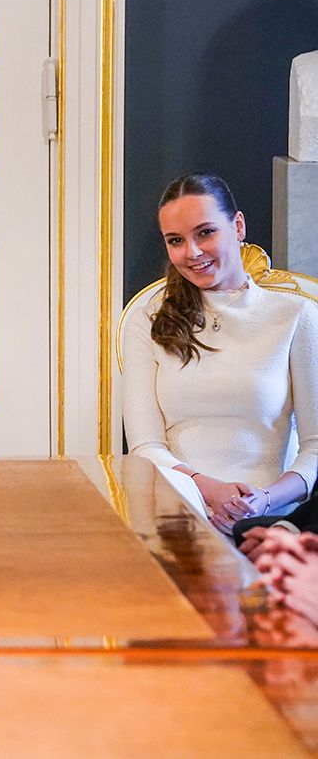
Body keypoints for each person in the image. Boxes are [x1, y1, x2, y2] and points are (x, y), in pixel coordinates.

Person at [122, 173, 318, 534]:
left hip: (271, 520)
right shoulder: (146, 319)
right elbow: (145, 446)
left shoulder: (297, 316)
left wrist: (263, 500)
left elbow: (315, 449)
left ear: (238, 226)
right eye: (176, 240)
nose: (192, 252)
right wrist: (207, 489)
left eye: (205, 232)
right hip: (178, 516)